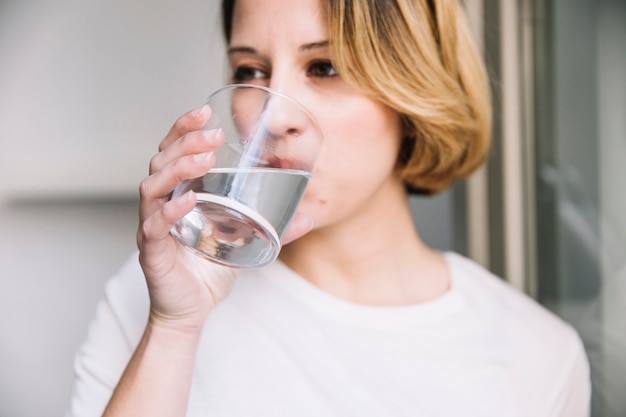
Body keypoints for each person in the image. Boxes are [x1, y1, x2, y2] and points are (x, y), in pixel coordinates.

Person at [66, 0, 591, 416]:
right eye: (251, 70)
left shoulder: (539, 354)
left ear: (412, 89)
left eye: (325, 65)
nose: (272, 116)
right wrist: (174, 328)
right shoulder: (154, 301)